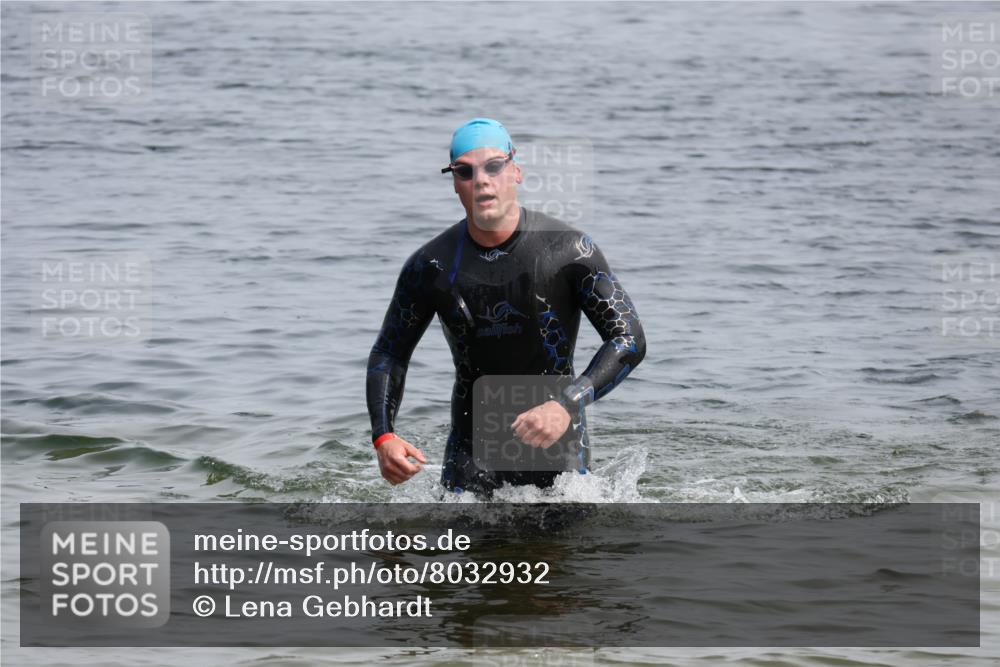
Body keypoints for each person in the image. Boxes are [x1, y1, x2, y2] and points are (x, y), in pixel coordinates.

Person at [366, 118, 646, 497]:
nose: (481, 179)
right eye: (465, 171)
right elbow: (390, 353)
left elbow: (628, 338)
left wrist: (566, 405)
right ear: (455, 183)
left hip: (559, 459)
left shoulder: (569, 250)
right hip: (469, 460)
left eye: (493, 166)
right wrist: (384, 436)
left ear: (515, 171)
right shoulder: (431, 266)